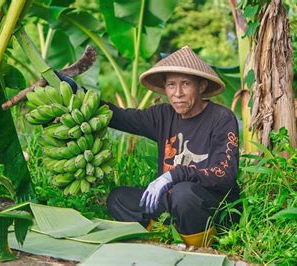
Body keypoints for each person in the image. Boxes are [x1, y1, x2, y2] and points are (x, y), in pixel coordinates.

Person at [59, 46, 240, 247]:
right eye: (171, 85)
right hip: (172, 202)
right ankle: (165, 236)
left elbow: (225, 174)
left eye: (186, 84)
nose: (177, 93)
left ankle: (200, 246)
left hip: (208, 206)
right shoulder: (163, 115)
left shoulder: (221, 118)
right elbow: (118, 116)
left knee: (183, 193)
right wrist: (74, 91)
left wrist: (173, 176)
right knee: (118, 198)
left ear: (202, 86)